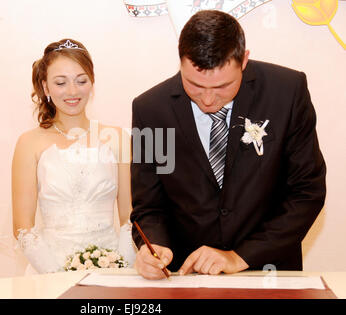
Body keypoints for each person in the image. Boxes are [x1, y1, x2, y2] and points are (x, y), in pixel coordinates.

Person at [130, 10, 326, 279]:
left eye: (223, 86)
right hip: (188, 278)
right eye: (195, 85)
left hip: (270, 272)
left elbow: (307, 192)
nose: (208, 100)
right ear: (180, 63)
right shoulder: (151, 111)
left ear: (244, 60)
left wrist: (239, 256)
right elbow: (149, 206)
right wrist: (153, 248)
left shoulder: (287, 92)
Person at [12, 38, 136, 273]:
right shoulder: (28, 143)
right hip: (48, 270)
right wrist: (56, 278)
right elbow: (22, 227)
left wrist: (119, 268)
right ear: (46, 87)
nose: (72, 91)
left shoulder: (118, 138)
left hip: (111, 267)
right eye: (61, 83)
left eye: (81, 81)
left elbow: (129, 218)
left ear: (92, 83)